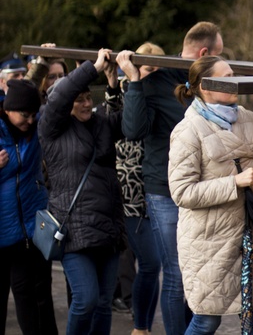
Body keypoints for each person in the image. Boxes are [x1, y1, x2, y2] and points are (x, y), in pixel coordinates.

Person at [168, 56, 253, 334]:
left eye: (233, 74)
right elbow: (182, 192)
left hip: (251, 235)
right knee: (207, 319)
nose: (235, 82)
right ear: (206, 86)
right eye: (226, 77)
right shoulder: (188, 130)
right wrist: (235, 182)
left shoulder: (244, 116)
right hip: (209, 242)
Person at [118, 21, 223, 335]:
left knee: (198, 271)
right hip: (164, 190)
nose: (221, 61)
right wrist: (134, 82)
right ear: (203, 52)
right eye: (218, 54)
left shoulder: (211, 82)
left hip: (203, 188)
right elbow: (133, 131)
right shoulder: (157, 80)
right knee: (177, 272)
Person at [38, 48, 127, 335]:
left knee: (103, 304)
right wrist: (93, 66)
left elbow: (131, 122)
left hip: (108, 227)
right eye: (80, 100)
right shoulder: (52, 128)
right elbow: (61, 94)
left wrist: (125, 81)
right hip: (73, 229)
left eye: (89, 97)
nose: (87, 103)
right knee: (86, 300)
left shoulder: (101, 124)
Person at [105, 42, 164, 335]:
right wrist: (114, 83)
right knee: (151, 263)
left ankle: (144, 326)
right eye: (146, 69)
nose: (151, 75)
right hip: (131, 197)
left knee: (155, 267)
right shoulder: (131, 93)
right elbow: (111, 115)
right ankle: (140, 327)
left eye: (156, 69)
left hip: (159, 191)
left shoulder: (164, 97)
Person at [0, 79, 58, 335]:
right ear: (8, 109)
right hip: (3, 234)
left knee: (33, 298)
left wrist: (43, 63)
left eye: (34, 115)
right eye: (24, 115)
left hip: (30, 233)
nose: (30, 120)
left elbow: (43, 94)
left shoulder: (34, 131)